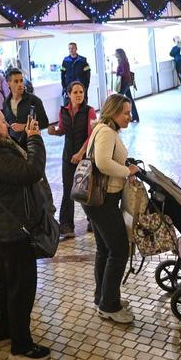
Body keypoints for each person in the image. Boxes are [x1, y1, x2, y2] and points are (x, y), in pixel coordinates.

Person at [0, 105, 51, 359]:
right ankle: (21, 344)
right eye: (2, 122)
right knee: (22, 287)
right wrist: (36, 139)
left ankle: (3, 330)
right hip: (11, 231)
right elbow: (32, 171)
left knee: (7, 282)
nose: (6, 124)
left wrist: (26, 136)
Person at [80, 94, 141, 324]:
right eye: (125, 112)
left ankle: (102, 297)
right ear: (113, 112)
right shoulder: (106, 131)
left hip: (98, 201)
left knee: (105, 250)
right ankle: (109, 305)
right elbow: (102, 163)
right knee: (119, 250)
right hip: (103, 202)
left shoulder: (103, 128)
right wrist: (128, 172)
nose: (129, 116)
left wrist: (125, 166)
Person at [48, 81, 96, 239]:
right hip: (68, 155)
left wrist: (81, 153)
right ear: (68, 94)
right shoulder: (63, 111)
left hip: (84, 156)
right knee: (68, 189)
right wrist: (53, 132)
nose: (79, 95)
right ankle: (66, 226)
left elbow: (92, 135)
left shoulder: (89, 112)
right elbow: (62, 130)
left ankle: (93, 221)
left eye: (81, 92)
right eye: (75, 92)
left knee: (87, 189)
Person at [2, 68, 50, 144]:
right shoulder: (6, 103)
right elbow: (7, 124)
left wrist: (24, 126)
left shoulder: (34, 100)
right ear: (8, 83)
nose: (20, 84)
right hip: (14, 145)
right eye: (16, 81)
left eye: (21, 81)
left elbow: (44, 123)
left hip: (32, 142)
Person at [113, 49, 140, 122]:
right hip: (125, 82)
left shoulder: (124, 62)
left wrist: (117, 73)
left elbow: (124, 73)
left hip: (125, 83)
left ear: (119, 54)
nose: (115, 54)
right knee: (130, 100)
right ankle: (135, 116)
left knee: (118, 99)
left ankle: (115, 117)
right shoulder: (122, 62)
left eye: (116, 53)